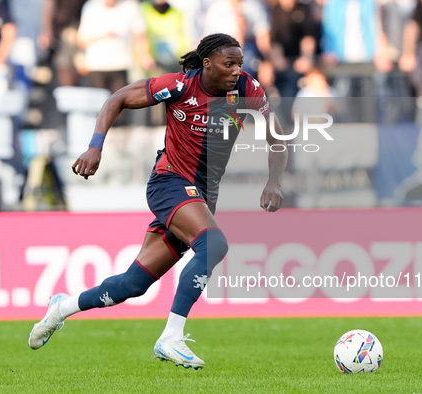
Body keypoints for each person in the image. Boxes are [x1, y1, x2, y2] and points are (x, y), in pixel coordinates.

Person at [28, 33, 288, 369]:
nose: (237, 70)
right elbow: (117, 99)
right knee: (215, 244)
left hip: (201, 198)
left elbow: (277, 135)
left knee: (131, 285)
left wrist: (275, 180)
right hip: (170, 183)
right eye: (230, 63)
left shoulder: (248, 91)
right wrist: (95, 146)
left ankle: (61, 308)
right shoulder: (179, 86)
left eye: (240, 63)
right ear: (207, 64)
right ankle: (171, 337)